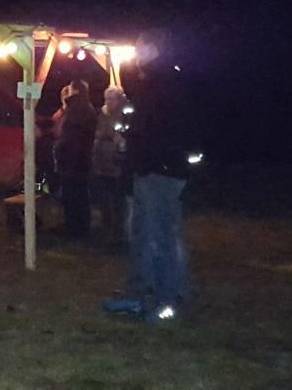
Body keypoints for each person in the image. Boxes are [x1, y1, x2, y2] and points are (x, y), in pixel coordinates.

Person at [105, 31, 196, 323]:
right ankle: (140, 294)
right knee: (143, 234)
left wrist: (142, 151)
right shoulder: (150, 83)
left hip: (161, 170)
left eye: (139, 48)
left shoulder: (167, 83)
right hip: (147, 169)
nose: (136, 55)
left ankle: (168, 299)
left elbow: (162, 130)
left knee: (161, 236)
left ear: (154, 49)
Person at [55, 79, 97, 238]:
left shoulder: (75, 109)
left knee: (72, 196)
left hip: (72, 160)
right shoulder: (87, 108)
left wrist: (62, 152)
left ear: (76, 91)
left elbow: (68, 137)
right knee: (80, 195)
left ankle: (74, 229)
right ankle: (81, 228)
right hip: (81, 159)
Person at [92, 86, 130, 245]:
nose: (108, 102)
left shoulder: (125, 116)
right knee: (104, 200)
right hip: (101, 164)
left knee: (118, 201)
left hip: (116, 165)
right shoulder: (100, 115)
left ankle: (119, 232)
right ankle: (107, 228)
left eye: (112, 99)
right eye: (107, 99)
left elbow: (123, 137)